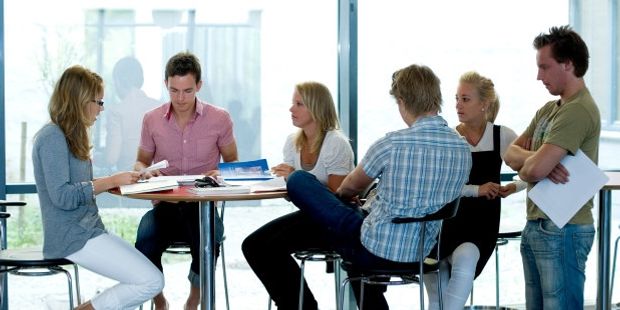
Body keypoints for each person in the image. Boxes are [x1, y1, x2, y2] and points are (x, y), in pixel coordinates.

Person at [285, 64, 472, 309]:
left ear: (402, 101)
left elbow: (349, 187)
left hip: (373, 246)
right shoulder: (462, 149)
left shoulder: (392, 144)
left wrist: (340, 201)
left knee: (298, 179)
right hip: (421, 253)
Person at [32, 65, 164, 310]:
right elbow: (62, 196)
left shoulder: (71, 135)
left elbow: (83, 179)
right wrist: (111, 182)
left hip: (89, 231)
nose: (102, 109)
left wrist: (133, 175)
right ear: (81, 101)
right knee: (151, 281)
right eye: (99, 102)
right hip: (72, 238)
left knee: (142, 282)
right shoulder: (52, 137)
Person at [504, 25, 600, 309]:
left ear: (568, 64)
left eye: (545, 67)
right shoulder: (549, 110)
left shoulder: (578, 110)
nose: (539, 76)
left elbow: (532, 171)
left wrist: (533, 164)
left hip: (564, 227)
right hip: (539, 224)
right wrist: (533, 160)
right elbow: (509, 153)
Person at [134, 51, 238, 310]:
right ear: (166, 85)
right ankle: (159, 300)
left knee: (210, 236)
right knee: (144, 239)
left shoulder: (219, 118)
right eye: (174, 90)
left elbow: (234, 166)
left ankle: (194, 298)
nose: (180, 99)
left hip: (201, 206)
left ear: (199, 86)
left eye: (187, 91)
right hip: (165, 207)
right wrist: (144, 172)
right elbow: (140, 163)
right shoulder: (151, 119)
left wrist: (221, 173)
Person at [241, 81, 355, 310]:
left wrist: (296, 177)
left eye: (299, 104)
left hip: (333, 224)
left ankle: (301, 305)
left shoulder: (336, 143)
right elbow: (295, 192)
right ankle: (300, 305)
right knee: (253, 245)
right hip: (308, 219)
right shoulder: (293, 143)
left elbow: (336, 199)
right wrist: (279, 182)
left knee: (262, 246)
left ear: (316, 108)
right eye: (293, 103)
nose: (291, 109)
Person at [424, 71, 526, 309]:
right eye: (456, 98)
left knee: (466, 261)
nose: (458, 105)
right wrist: (477, 189)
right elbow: (437, 188)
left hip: (480, 226)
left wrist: (513, 186)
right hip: (440, 225)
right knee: (436, 299)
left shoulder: (503, 136)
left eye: (465, 99)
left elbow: (533, 171)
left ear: (484, 104)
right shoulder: (447, 137)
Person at [105, 56, 159, 171]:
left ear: (119, 81)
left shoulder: (116, 111)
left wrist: (98, 158)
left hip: (130, 183)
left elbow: (111, 158)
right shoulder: (161, 107)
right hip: (160, 180)